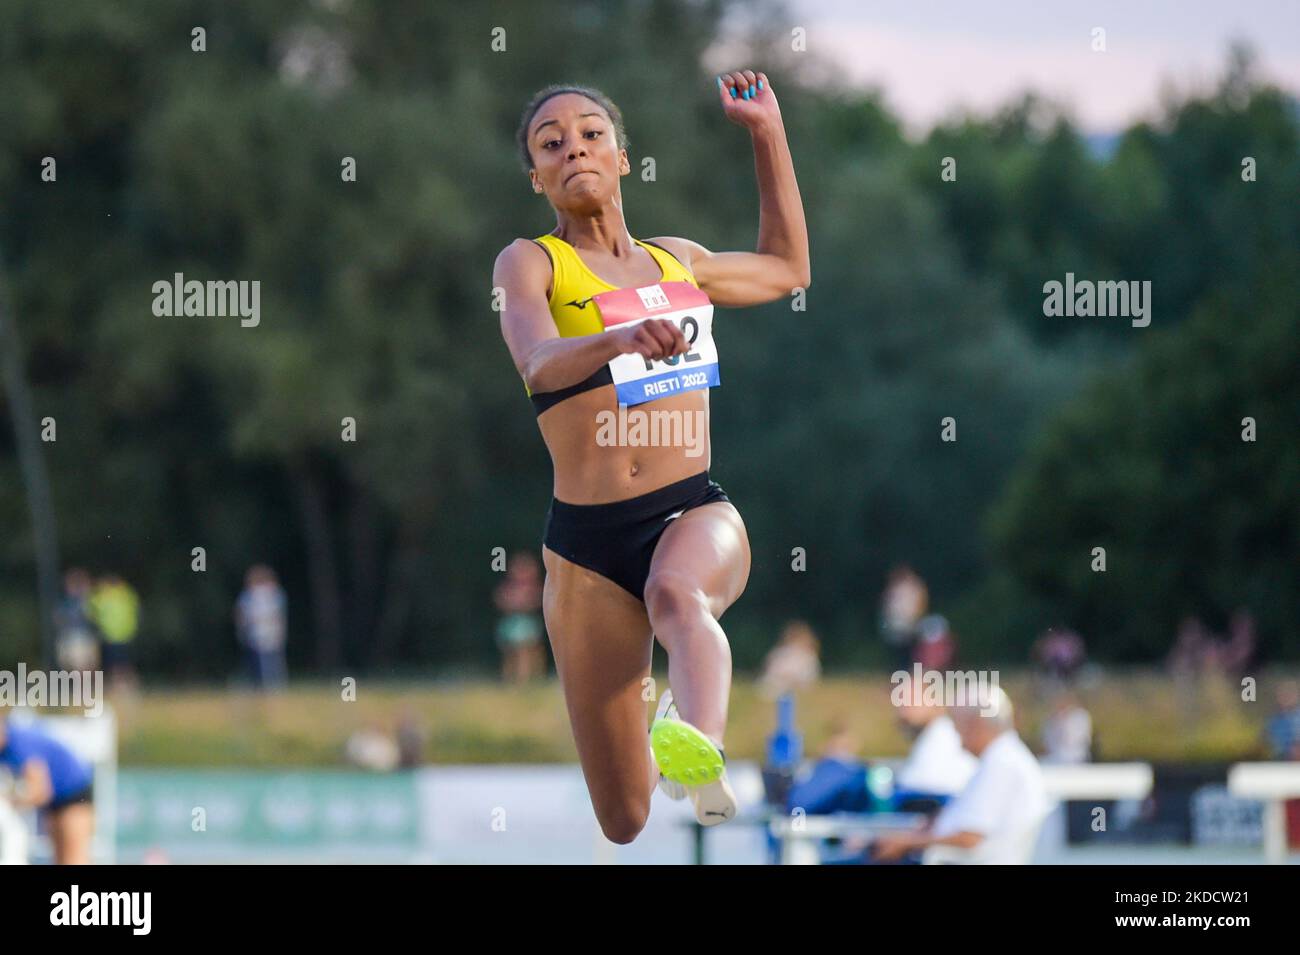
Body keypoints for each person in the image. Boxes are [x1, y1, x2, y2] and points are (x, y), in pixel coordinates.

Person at [494, 71, 809, 841]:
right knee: (625, 818)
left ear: (624, 158)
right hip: (588, 548)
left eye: (592, 133)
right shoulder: (529, 263)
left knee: (678, 595)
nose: (575, 148)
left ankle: (699, 743)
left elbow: (787, 268)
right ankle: (670, 747)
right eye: (552, 142)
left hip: (692, 508)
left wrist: (768, 133)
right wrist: (618, 338)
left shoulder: (680, 263)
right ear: (536, 176)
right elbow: (537, 362)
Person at [873, 686, 1050, 864]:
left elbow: (969, 837)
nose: (957, 736)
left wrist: (906, 842)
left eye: (958, 725)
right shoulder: (1004, 757)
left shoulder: (1002, 764)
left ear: (976, 724)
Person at [0, 713, 95, 864]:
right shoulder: (5, 749)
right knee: (60, 858)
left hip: (75, 792)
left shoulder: (19, 742)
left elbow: (41, 792)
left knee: (74, 858)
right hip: (55, 800)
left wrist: (10, 802)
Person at [493, 551, 546, 684]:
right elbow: (500, 599)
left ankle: (530, 678)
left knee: (529, 652)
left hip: (527, 622)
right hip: (512, 622)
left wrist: (524, 604)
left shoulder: (533, 588)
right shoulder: (509, 587)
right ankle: (510, 678)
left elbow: (538, 601)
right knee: (511, 653)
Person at [235, 565, 288, 691]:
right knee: (271, 664)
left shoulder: (252, 596)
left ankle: (265, 688)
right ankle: (272, 688)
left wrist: (242, 630)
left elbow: (241, 614)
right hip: (266, 634)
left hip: (260, 635)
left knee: (262, 665)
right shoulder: (273, 594)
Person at [87, 574, 140, 691]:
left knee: (116, 665)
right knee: (124, 664)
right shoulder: (127, 593)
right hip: (125, 634)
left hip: (112, 635)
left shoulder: (105, 595)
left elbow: (90, 608)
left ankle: (121, 687)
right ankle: (127, 687)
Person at [758, 620, 822, 699]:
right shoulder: (780, 653)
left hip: (795, 685)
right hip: (776, 684)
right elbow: (770, 670)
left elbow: (809, 677)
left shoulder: (809, 658)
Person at [880, 565, 927, 671]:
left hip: (908, 625)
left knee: (908, 654)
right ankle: (901, 674)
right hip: (898, 626)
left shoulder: (912, 588)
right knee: (900, 654)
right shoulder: (897, 588)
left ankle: (906, 675)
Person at [55, 568, 100, 675]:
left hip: (83, 635)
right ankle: (82, 687)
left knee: (84, 665)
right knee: (73, 665)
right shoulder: (66, 602)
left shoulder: (87, 600)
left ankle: (85, 688)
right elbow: (58, 618)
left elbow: (93, 616)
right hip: (70, 636)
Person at [1040, 691, 1092, 764]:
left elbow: (1073, 739)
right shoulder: (1051, 719)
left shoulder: (1079, 717)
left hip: (1076, 758)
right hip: (1056, 757)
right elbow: (1047, 743)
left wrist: (1063, 721)